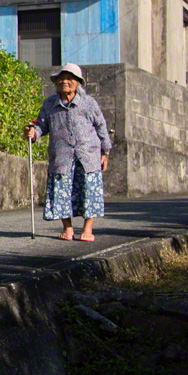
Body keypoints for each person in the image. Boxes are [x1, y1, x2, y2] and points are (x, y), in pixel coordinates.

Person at [26, 63, 111, 242]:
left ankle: (87, 228)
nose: (64, 81)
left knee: (90, 191)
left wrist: (106, 151)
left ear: (78, 83)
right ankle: (68, 228)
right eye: (61, 78)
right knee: (61, 192)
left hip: (88, 154)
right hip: (62, 155)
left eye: (69, 78)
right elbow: (42, 126)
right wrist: (33, 133)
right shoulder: (50, 104)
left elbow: (101, 126)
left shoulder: (88, 103)